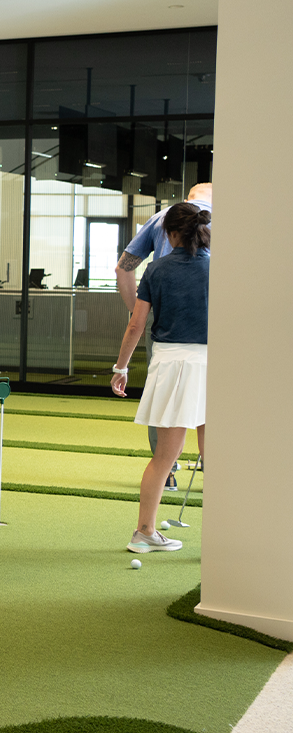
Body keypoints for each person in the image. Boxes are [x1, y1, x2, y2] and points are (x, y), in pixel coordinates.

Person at [111, 201, 210, 555]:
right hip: (209, 363)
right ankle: (221, 544)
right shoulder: (219, 267)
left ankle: (144, 532)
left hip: (169, 363)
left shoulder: (156, 270)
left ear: (170, 234)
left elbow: (136, 324)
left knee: (165, 457)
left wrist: (120, 368)